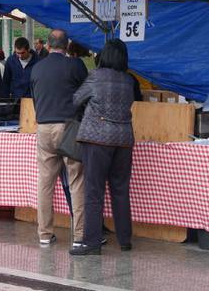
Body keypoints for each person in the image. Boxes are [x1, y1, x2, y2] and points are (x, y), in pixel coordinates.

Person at [69, 39, 136, 256]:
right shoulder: (129, 80)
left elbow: (76, 100)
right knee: (120, 190)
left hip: (97, 139)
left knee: (94, 191)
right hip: (124, 140)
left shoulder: (96, 76)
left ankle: (92, 242)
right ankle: (125, 240)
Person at [30, 29, 88, 247]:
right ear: (67, 46)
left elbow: (35, 99)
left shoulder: (37, 67)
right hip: (69, 127)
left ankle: (44, 234)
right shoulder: (75, 65)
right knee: (76, 181)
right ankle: (80, 236)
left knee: (45, 183)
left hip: (44, 127)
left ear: (47, 45)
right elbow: (86, 95)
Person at [2, 37, 39, 103]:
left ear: (28, 49)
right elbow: (6, 81)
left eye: (22, 53)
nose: (20, 56)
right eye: (17, 53)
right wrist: (5, 100)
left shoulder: (38, 62)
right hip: (15, 99)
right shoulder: (10, 61)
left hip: (31, 100)